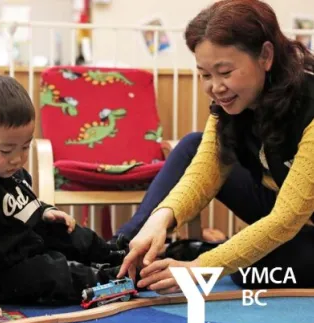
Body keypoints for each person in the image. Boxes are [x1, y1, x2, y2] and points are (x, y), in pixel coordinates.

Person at [117, 0, 314, 293]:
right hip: (277, 203)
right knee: (193, 145)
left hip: (298, 219)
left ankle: (202, 251)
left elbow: (287, 217)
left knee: (249, 273)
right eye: (205, 75)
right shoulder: (231, 103)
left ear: (266, 56)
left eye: (225, 72)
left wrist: (201, 268)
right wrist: (161, 219)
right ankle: (121, 251)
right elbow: (204, 173)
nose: (215, 87)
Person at [0, 76, 125, 323]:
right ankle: (110, 279)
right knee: (51, 272)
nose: (17, 159)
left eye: (25, 147)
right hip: (0, 273)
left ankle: (116, 253)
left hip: (26, 244)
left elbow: (20, 205)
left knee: (67, 230)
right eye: (6, 150)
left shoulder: (6, 170)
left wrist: (43, 211)